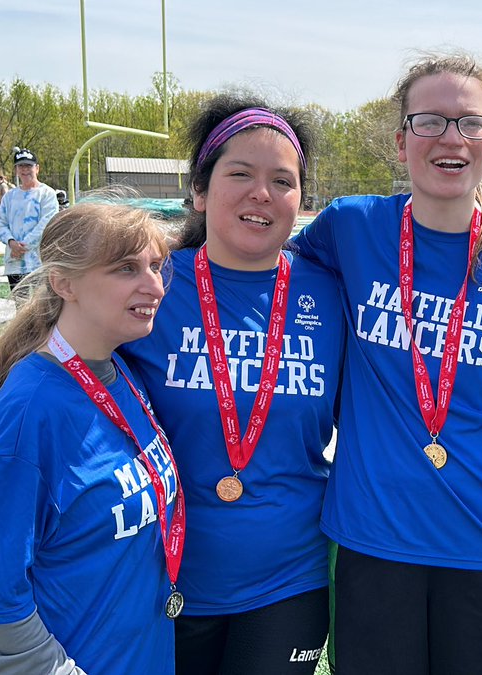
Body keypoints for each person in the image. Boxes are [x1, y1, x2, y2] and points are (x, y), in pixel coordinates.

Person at [293, 51, 482, 674]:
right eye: (430, 121)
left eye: (471, 122)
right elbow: (256, 267)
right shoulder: (350, 226)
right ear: (401, 142)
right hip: (374, 537)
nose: (451, 138)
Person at [119, 96, 344, 674]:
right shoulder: (149, 285)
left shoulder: (333, 294)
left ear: (301, 200)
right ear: (199, 190)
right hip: (158, 570)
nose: (261, 193)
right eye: (239, 173)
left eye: (282, 181)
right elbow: (62, 371)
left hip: (290, 577)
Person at [0, 201, 180, 675]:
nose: (154, 285)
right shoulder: (29, 412)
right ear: (64, 283)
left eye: (155, 265)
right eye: (127, 268)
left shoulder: (117, 369)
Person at [0, 148, 58, 289]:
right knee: (21, 307)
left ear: (37, 168)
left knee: (42, 307)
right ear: (16, 170)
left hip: (38, 263)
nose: (24, 170)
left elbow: (46, 224)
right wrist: (11, 242)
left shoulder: (47, 194)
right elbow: (1, 224)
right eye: (20, 166)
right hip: (15, 263)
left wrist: (22, 246)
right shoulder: (9, 197)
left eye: (28, 166)